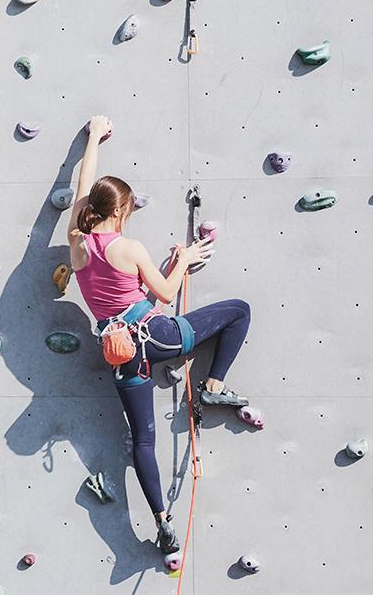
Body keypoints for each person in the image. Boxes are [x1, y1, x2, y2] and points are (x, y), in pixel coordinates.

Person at [67, 115, 251, 555]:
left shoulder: (76, 241)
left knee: (142, 440)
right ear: (121, 211)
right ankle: (213, 385)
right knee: (239, 312)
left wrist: (93, 137)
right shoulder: (129, 248)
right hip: (159, 337)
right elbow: (165, 294)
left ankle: (162, 523)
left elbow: (82, 187)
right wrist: (184, 258)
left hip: (121, 353)